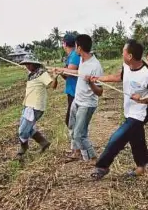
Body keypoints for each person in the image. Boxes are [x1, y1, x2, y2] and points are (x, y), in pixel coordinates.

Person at [89, 39, 148, 180]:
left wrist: (142, 99)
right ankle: (141, 166)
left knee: (118, 137)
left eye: (124, 51)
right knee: (136, 136)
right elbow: (119, 77)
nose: (122, 53)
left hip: (142, 112)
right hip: (130, 110)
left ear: (129, 56)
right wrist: (98, 79)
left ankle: (102, 166)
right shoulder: (127, 66)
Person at [54, 34, 104, 162]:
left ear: (79, 48)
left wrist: (91, 83)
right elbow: (78, 72)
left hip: (87, 104)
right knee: (72, 126)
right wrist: (61, 70)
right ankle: (80, 153)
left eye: (75, 45)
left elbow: (100, 92)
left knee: (78, 135)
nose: (74, 48)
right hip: (77, 100)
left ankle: (93, 158)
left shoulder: (95, 66)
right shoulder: (82, 60)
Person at [16, 55, 56, 160]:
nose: (27, 67)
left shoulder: (42, 74)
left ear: (34, 64)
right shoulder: (31, 74)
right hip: (28, 105)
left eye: (29, 64)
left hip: (35, 107)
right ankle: (44, 143)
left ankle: (23, 149)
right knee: (28, 129)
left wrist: (55, 77)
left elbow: (52, 85)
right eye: (25, 65)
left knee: (23, 131)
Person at [51, 33, 80, 127]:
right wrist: (59, 73)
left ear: (65, 44)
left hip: (76, 93)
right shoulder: (71, 56)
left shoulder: (75, 55)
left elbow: (70, 72)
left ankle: (79, 140)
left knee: (71, 123)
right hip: (72, 92)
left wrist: (60, 70)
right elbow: (67, 76)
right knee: (72, 122)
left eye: (63, 43)